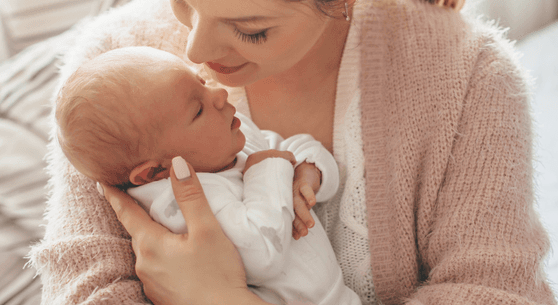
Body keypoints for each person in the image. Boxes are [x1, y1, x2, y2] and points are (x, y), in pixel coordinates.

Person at [29, 0, 558, 304]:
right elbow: (85, 289)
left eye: (250, 29)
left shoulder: (469, 79)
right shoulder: (111, 67)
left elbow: (497, 293)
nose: (194, 50)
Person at [54, 46, 360, 305]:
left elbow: (288, 147)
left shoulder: (228, 141)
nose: (218, 93)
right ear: (155, 171)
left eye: (201, 81)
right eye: (197, 110)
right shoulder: (181, 205)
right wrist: (267, 169)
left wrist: (309, 170)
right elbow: (262, 255)